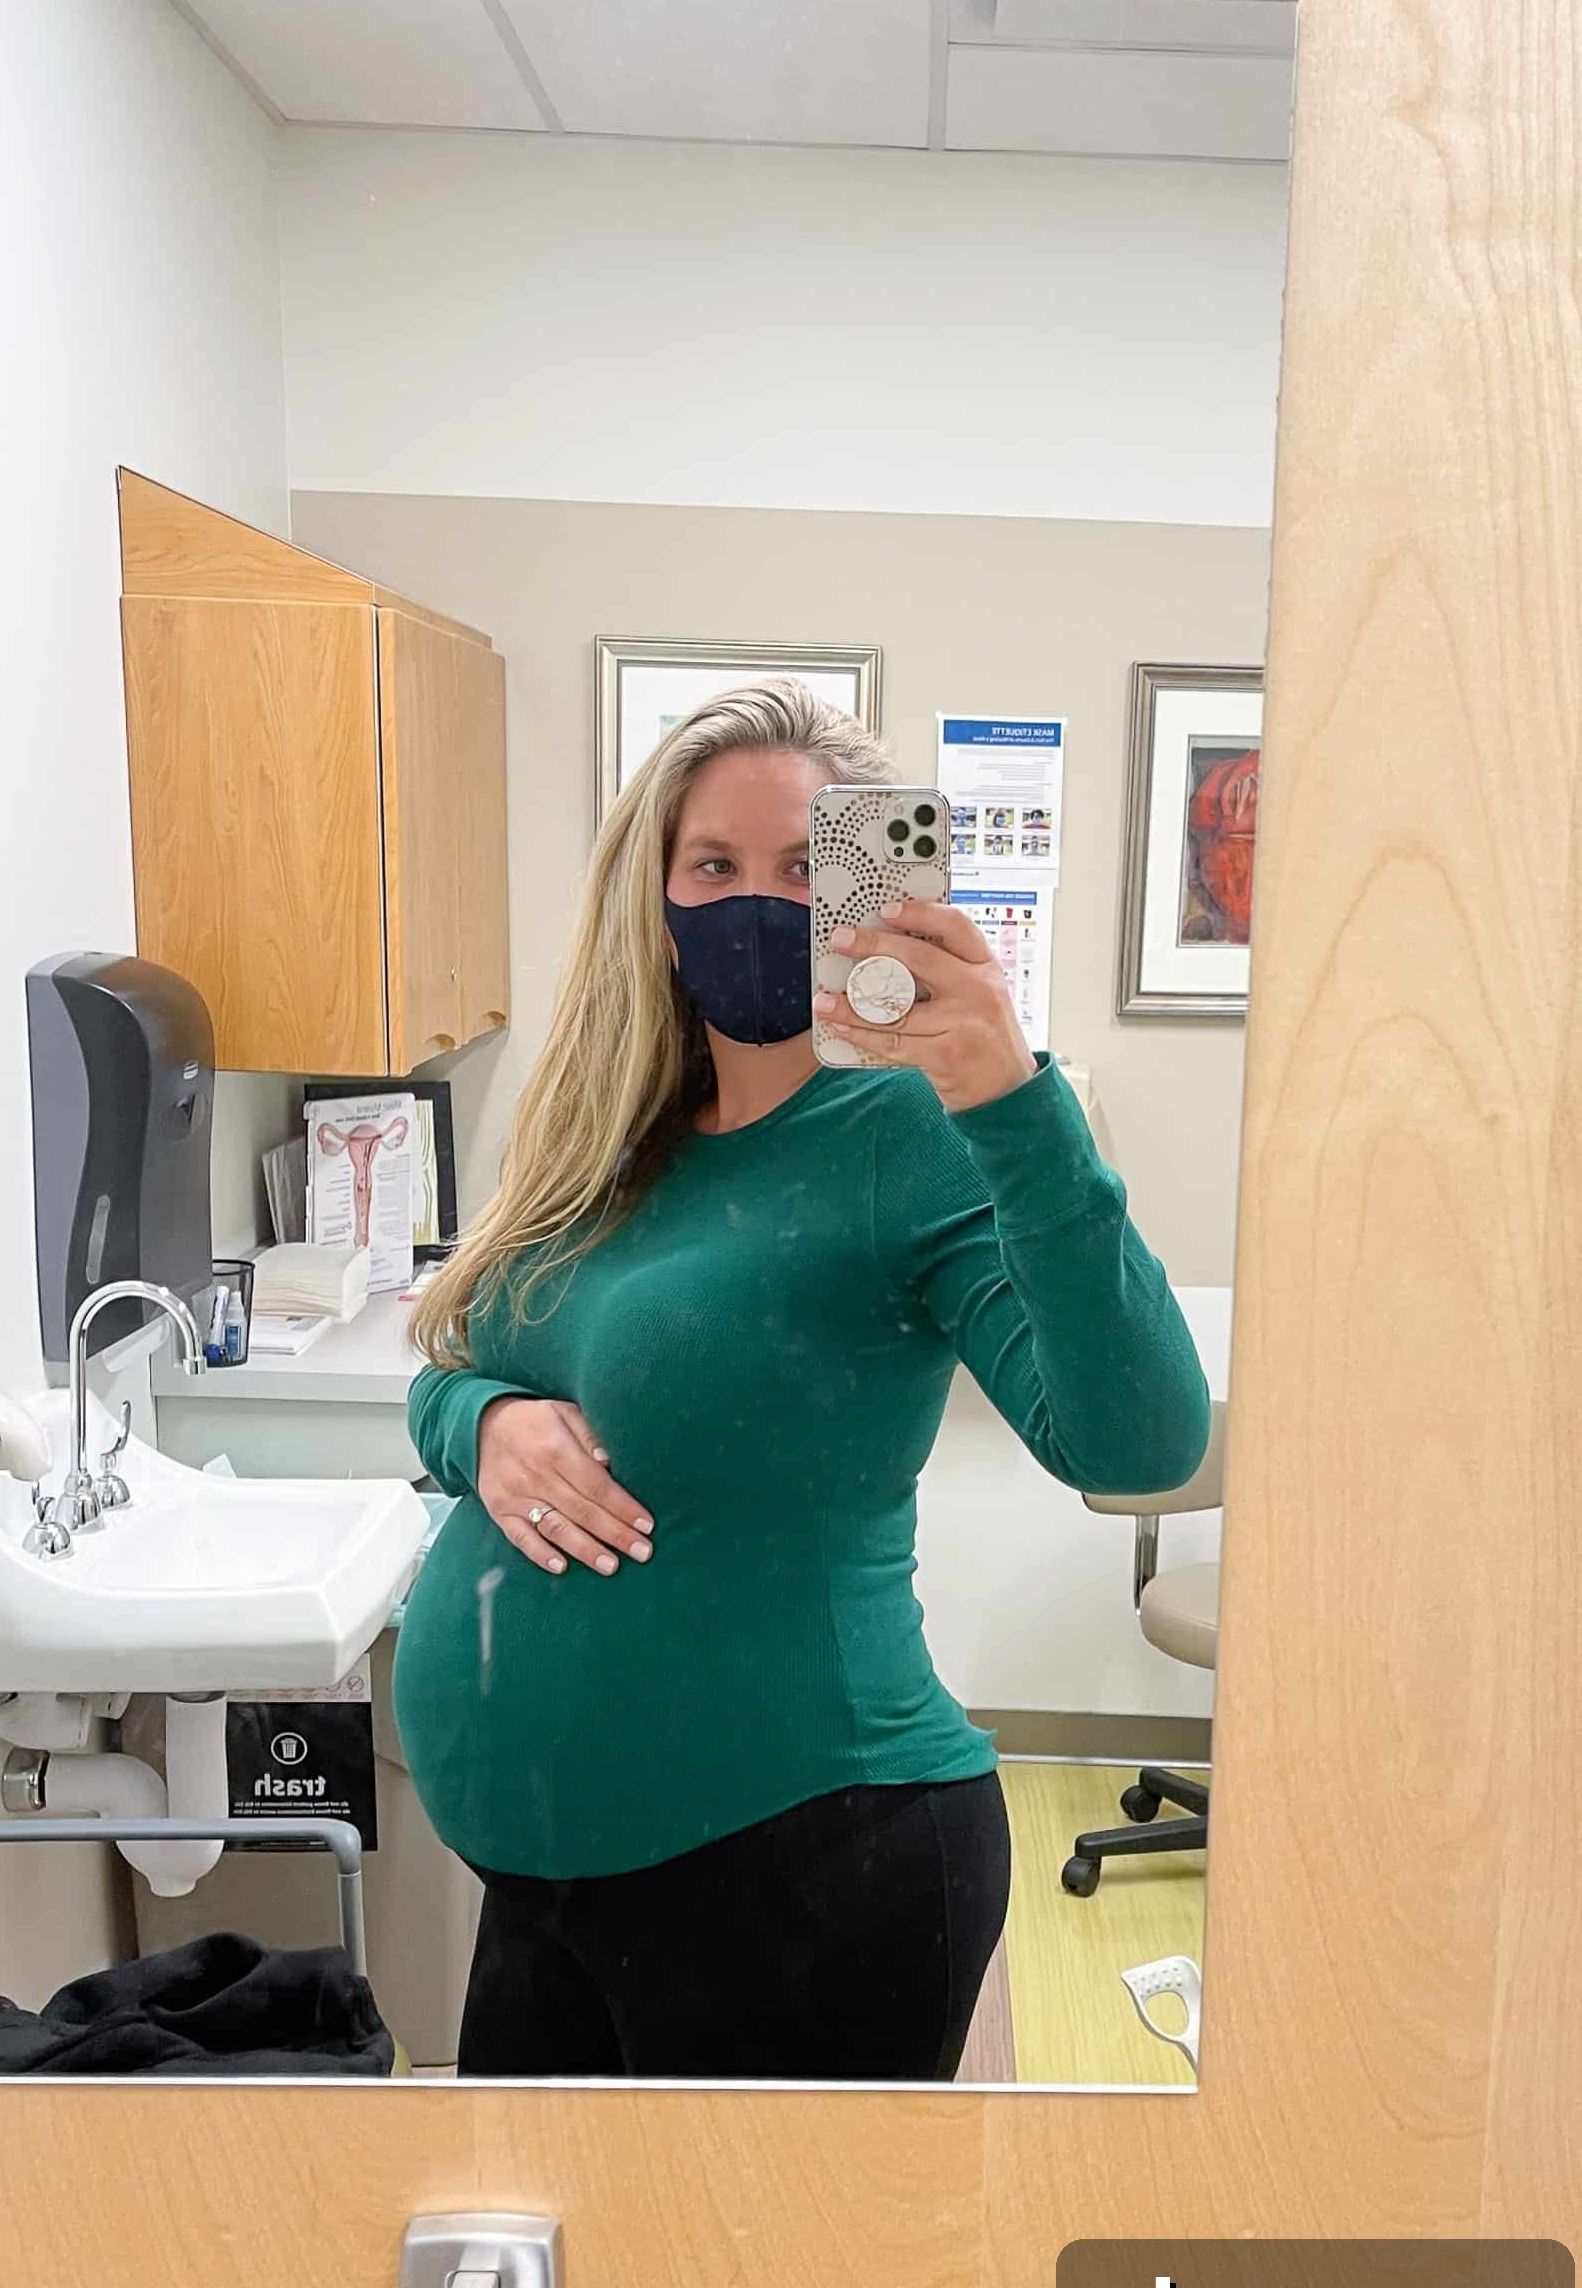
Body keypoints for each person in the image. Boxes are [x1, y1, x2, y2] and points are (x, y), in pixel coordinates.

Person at [396, 681, 1210, 2081]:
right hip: (542, 1885)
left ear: (867, 887)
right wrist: (485, 1427)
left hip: (804, 1871)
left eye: (799, 870)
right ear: (651, 895)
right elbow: (457, 1359)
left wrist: (1018, 1104)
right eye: (714, 866)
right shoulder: (607, 1127)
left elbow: (1136, 1441)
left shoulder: (916, 1130)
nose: (753, 904)